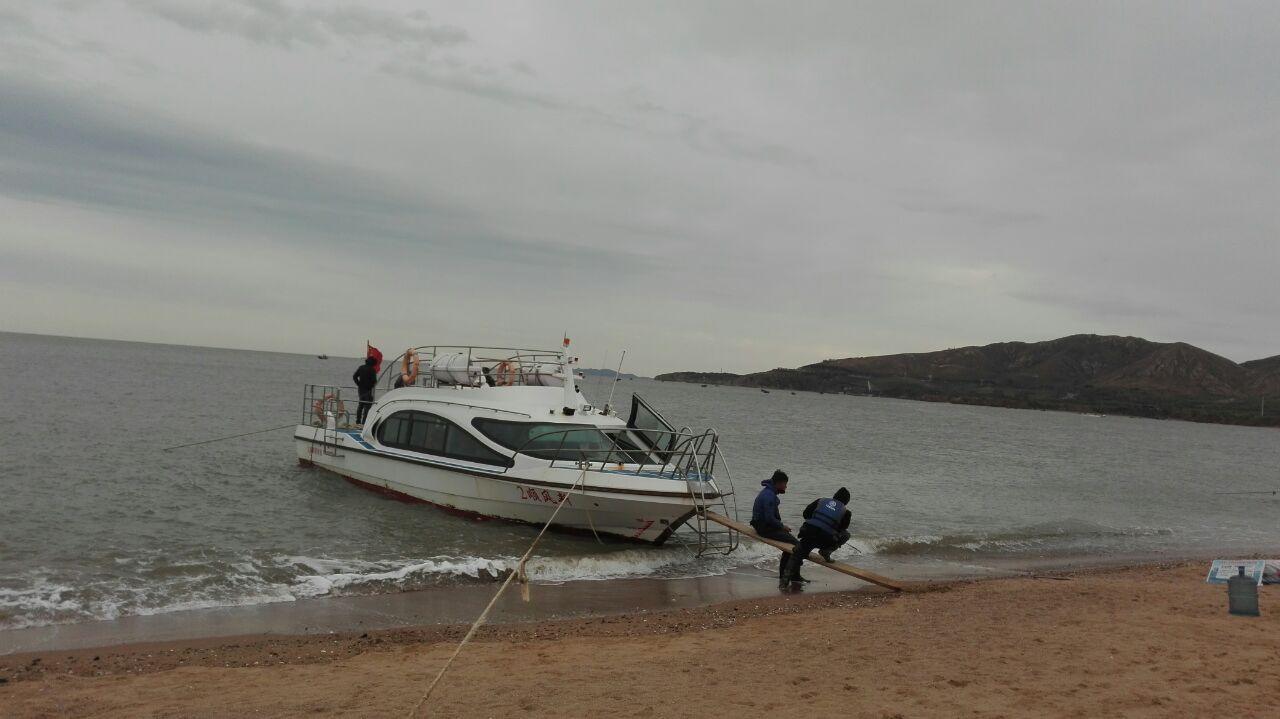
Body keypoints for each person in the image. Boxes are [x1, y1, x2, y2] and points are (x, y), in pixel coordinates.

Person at [783, 487, 852, 587]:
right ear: (846, 502)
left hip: (808, 533)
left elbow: (805, 514)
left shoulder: (820, 501)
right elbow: (843, 528)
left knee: (797, 554)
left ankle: (784, 581)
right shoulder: (846, 512)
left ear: (834, 496)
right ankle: (826, 551)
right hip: (825, 540)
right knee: (846, 534)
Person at [750, 470, 799, 586]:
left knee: (791, 544)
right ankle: (787, 576)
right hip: (764, 528)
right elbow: (769, 518)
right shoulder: (769, 496)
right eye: (784, 484)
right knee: (795, 545)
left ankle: (790, 575)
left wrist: (780, 527)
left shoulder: (769, 492)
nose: (786, 487)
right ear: (778, 483)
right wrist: (782, 526)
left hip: (764, 525)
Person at [352, 356, 377, 426]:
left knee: (360, 405)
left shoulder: (361, 367)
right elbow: (374, 381)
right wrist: (371, 386)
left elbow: (354, 376)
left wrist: (358, 384)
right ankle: (364, 422)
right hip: (368, 390)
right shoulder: (372, 370)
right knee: (367, 407)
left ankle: (358, 421)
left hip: (361, 390)